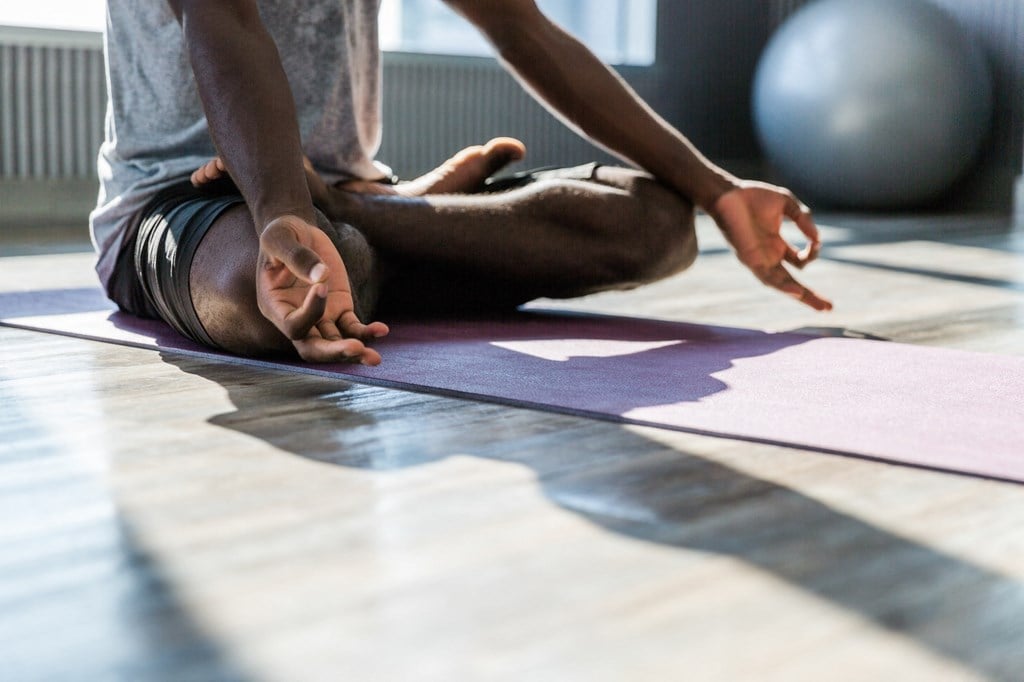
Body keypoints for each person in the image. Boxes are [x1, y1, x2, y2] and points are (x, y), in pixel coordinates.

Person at [91, 0, 831, 367]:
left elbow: (527, 31)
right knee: (283, 294)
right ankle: (351, 240)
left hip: (358, 199)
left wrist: (716, 189)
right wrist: (282, 204)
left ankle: (351, 220)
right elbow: (221, 17)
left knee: (657, 224)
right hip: (186, 200)